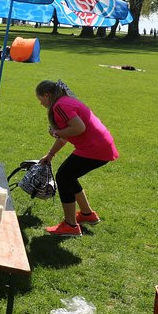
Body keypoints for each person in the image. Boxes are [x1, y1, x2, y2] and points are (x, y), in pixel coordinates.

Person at [35, 79, 118, 237]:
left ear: (47, 95)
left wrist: (57, 132)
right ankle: (87, 215)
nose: (41, 104)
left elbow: (78, 128)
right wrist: (50, 154)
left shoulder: (60, 106)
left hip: (95, 148)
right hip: (101, 146)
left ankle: (70, 225)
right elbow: (66, 135)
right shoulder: (65, 102)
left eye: (41, 100)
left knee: (64, 176)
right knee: (69, 176)